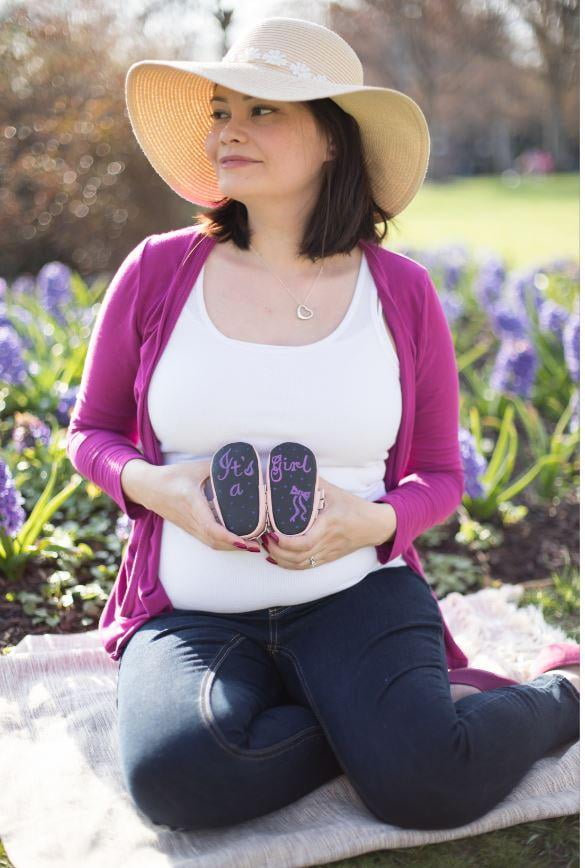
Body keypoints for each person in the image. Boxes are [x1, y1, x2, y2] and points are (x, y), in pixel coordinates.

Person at [66, 16, 579, 833]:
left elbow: (441, 477)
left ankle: (555, 697)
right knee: (177, 779)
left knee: (425, 788)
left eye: (262, 110)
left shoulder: (401, 293)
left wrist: (369, 523)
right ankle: (378, 724)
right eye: (220, 109)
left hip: (355, 597)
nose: (227, 127)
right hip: (193, 616)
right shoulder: (158, 271)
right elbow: (88, 434)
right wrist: (156, 486)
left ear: (334, 140)